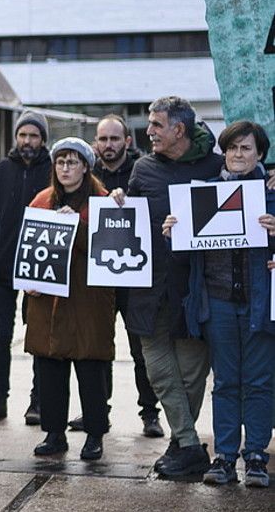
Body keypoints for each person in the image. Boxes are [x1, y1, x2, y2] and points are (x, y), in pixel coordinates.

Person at [118, 96, 225, 479]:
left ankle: (182, 445)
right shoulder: (143, 167)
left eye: (156, 125)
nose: (148, 132)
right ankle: (190, 445)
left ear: (179, 129)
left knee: (192, 370)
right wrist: (119, 202)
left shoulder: (218, 166)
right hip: (149, 285)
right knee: (157, 366)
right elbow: (130, 216)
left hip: (196, 288)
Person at [168, 121, 275, 486]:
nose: (238, 155)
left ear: (260, 154)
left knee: (260, 382)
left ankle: (257, 456)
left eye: (246, 148)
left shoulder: (272, 194)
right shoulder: (205, 195)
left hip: (261, 303)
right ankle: (225, 456)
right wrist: (173, 229)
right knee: (226, 382)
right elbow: (184, 251)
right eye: (231, 148)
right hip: (217, 302)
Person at [25, 139, 114, 461]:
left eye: (72, 162)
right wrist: (28, 282)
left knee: (91, 369)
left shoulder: (102, 201)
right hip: (46, 301)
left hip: (88, 300)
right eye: (60, 162)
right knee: (49, 368)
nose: (65, 168)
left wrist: (77, 225)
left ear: (86, 166)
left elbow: (107, 246)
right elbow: (28, 247)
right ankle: (54, 433)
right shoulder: (41, 200)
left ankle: (94, 435)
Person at [91, 115, 164, 439]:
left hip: (135, 277)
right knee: (98, 348)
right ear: (96, 142)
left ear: (127, 141)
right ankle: (97, 410)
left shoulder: (143, 169)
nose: (109, 145)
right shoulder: (87, 172)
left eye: (114, 139)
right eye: (103, 139)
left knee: (140, 351)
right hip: (99, 276)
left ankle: (150, 414)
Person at [0, 111, 51, 424]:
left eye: (34, 136)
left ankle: (38, 400)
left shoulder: (53, 170)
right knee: (1, 335)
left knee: (38, 335)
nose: (27, 141)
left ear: (43, 139)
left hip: (40, 266)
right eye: (23, 135)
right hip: (2, 266)